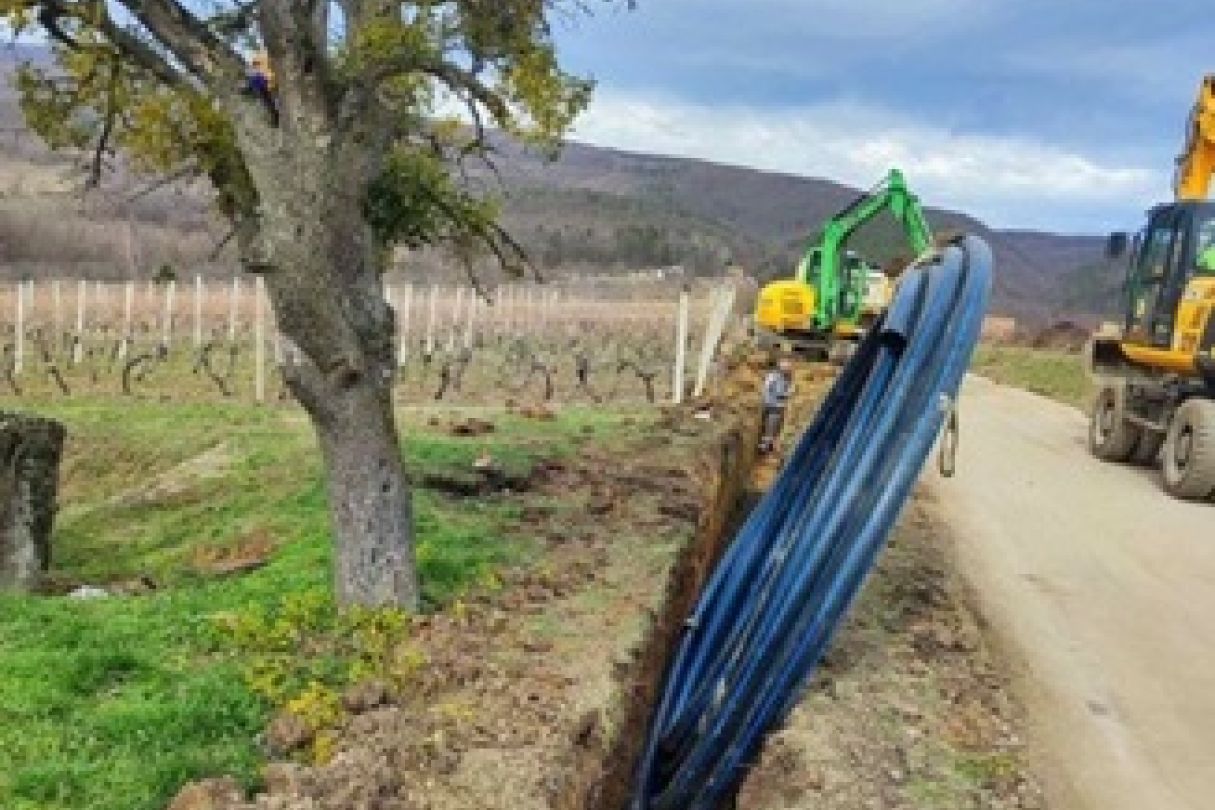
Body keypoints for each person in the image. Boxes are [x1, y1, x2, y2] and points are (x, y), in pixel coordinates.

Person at [759, 358, 794, 453]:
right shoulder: (776, 377)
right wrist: (788, 394)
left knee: (774, 426)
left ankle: (769, 445)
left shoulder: (782, 377)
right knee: (771, 426)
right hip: (774, 405)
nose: (788, 371)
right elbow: (776, 392)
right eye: (787, 369)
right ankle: (764, 446)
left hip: (775, 405)